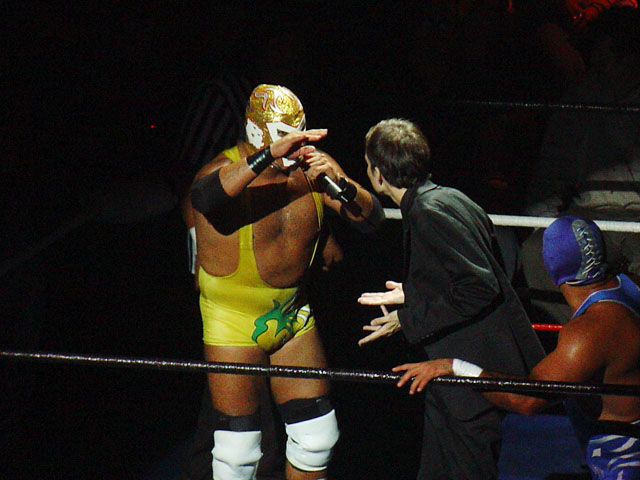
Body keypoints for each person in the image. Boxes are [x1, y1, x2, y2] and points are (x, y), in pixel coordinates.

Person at [186, 84, 384, 480]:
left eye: (299, 134)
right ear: (258, 133)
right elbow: (203, 198)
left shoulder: (310, 170)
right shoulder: (223, 170)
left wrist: (341, 183)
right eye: (284, 137)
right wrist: (268, 157)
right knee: (238, 451)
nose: (295, 146)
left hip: (293, 312)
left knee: (317, 436)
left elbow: (372, 220)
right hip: (233, 319)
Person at [357, 118, 545, 480]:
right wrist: (414, 291)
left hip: (469, 380)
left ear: (378, 174)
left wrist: (406, 318)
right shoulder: (450, 198)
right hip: (451, 377)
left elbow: (480, 285)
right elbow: (487, 264)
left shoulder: (429, 211)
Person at [393, 215, 640, 480]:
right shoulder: (629, 286)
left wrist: (455, 367)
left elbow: (527, 400)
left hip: (625, 455)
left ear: (551, 266)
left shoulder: (589, 333)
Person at [521, 7, 640, 325]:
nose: (599, 66)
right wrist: (543, 225)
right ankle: (575, 332)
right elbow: (552, 169)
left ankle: (627, 341)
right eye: (597, 57)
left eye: (609, 58)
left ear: (630, 58)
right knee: (535, 251)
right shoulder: (580, 100)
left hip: (637, 219)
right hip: (588, 217)